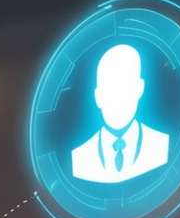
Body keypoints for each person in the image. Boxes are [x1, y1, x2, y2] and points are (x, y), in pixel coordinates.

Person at [70, 44, 169, 184]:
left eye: (125, 85)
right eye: (109, 87)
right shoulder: (80, 156)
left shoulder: (161, 144)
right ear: (97, 96)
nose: (117, 97)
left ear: (140, 88)